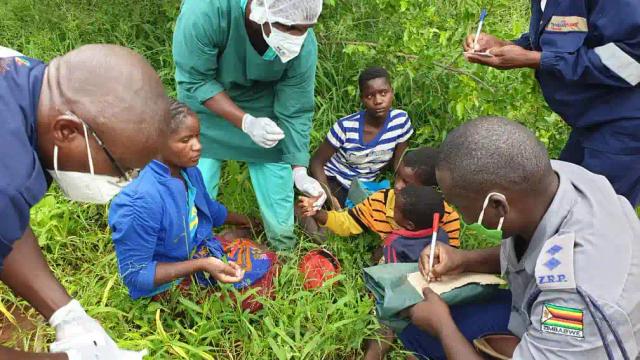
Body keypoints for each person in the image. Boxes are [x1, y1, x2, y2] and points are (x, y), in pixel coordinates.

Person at [401, 117, 640, 359]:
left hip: (583, 343)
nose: (465, 218)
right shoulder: (555, 180)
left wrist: (443, 326)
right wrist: (464, 259)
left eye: (461, 206)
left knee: (426, 334)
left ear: (498, 205)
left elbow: (564, 282)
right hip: (544, 315)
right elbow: (546, 256)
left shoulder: (575, 300)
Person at [0, 44, 170, 359]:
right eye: (122, 171)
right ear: (66, 130)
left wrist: (66, 314)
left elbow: (6, 222)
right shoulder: (7, 178)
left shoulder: (24, 76)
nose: (124, 186)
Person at [173, 0, 326, 251]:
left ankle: (282, 252)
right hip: (206, 107)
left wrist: (299, 168)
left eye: (305, 28)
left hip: (263, 110)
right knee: (194, 193)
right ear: (259, 8)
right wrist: (245, 122)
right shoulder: (207, 10)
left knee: (280, 213)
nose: (296, 38)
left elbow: (296, 108)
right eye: (288, 28)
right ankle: (189, 252)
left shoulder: (303, 45)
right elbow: (196, 79)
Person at [463, 0, 640, 206]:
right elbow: (561, 39)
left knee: (596, 216)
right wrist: (507, 46)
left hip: (625, 125)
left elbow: (631, 60)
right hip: (589, 120)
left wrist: (536, 59)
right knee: (559, 202)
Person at [109, 101, 278, 303]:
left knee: (265, 257)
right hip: (167, 284)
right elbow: (136, 276)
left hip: (196, 249)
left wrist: (248, 220)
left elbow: (210, 210)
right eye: (186, 140)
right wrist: (202, 265)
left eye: (197, 136)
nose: (197, 146)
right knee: (262, 291)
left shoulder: (187, 171)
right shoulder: (140, 200)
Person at [299, 147, 461, 247]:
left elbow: (448, 258)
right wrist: (318, 213)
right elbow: (347, 222)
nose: (397, 185)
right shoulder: (381, 201)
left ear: (429, 189)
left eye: (407, 183)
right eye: (398, 177)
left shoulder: (448, 220)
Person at [309, 66, 413, 207]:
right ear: (362, 99)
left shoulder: (400, 120)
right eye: (370, 96)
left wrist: (400, 180)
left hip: (365, 185)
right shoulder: (345, 127)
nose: (378, 101)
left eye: (383, 93)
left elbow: (400, 159)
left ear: (392, 93)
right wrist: (329, 197)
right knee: (333, 221)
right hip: (335, 180)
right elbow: (316, 162)